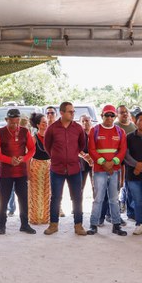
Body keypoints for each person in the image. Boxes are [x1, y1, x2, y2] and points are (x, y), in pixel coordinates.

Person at [44, 101, 87, 236]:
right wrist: (57, 157)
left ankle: (78, 225)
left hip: (74, 168)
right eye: (70, 111)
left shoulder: (78, 128)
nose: (73, 114)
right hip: (57, 169)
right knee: (56, 197)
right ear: (62, 113)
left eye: (73, 111)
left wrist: (72, 156)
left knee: (77, 198)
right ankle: (53, 224)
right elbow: (47, 146)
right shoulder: (52, 128)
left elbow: (81, 145)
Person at [0, 108, 36, 234]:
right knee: (3, 199)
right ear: (6, 120)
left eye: (17, 122)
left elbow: (32, 149)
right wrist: (9, 160)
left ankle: (24, 225)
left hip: (21, 172)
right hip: (6, 172)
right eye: (12, 122)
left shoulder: (24, 131)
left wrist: (24, 158)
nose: (15, 125)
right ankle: (2, 225)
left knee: (23, 199)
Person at [84, 105, 127, 235]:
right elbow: (91, 149)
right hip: (99, 170)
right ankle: (94, 224)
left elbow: (122, 150)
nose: (109, 118)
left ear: (115, 117)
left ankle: (116, 225)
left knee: (114, 199)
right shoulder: (94, 130)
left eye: (112, 115)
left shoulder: (120, 132)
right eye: (107, 115)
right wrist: (104, 163)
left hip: (114, 170)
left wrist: (113, 163)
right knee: (98, 198)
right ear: (102, 115)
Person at [28, 112, 51, 225]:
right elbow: (28, 156)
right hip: (36, 166)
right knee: (36, 193)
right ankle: (35, 218)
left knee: (47, 192)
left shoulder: (50, 138)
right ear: (37, 125)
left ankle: (45, 218)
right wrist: (27, 171)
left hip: (48, 166)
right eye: (43, 122)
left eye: (46, 122)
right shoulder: (34, 138)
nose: (45, 124)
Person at [116, 105, 136, 218]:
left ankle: (131, 213)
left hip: (131, 162)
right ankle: (114, 214)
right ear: (117, 115)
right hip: (117, 162)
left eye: (126, 112)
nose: (125, 114)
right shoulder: (115, 127)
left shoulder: (134, 127)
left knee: (131, 188)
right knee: (116, 187)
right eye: (121, 112)